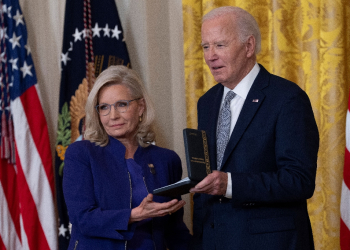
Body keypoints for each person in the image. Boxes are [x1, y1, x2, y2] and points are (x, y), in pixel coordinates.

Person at [189, 6, 319, 250]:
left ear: (249, 46)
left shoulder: (287, 98)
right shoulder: (206, 102)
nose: (210, 56)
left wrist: (230, 185)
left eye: (219, 45)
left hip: (269, 242)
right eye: (205, 47)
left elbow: (299, 180)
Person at [63, 65, 191, 250]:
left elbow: (175, 231)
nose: (113, 116)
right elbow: (82, 219)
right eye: (104, 107)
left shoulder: (166, 160)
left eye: (122, 105)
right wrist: (135, 214)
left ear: (140, 107)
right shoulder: (81, 153)